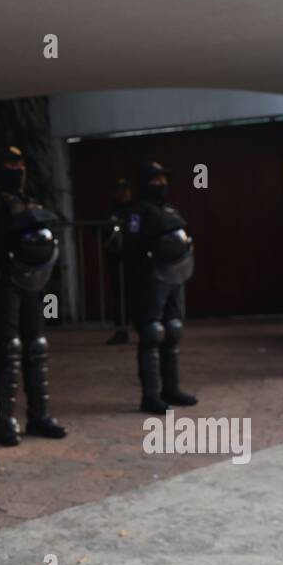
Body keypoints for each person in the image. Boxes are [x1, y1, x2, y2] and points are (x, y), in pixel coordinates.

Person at [0, 145, 68, 446]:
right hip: (3, 283)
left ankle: (39, 415)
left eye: (20, 164)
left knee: (37, 346)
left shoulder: (28, 201)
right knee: (9, 349)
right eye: (11, 165)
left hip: (30, 283)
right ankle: (4, 421)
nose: (18, 170)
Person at [123, 161, 198, 413]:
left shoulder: (169, 209)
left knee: (173, 329)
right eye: (156, 180)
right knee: (152, 332)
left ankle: (172, 389)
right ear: (145, 183)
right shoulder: (137, 211)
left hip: (174, 274)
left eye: (164, 179)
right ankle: (151, 395)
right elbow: (130, 245)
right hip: (150, 277)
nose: (162, 184)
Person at [103, 177, 134, 345]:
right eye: (120, 191)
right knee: (120, 297)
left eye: (126, 190)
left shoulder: (136, 209)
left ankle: (145, 329)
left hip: (135, 260)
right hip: (116, 259)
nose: (123, 194)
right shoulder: (111, 211)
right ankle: (121, 331)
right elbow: (103, 232)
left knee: (138, 295)